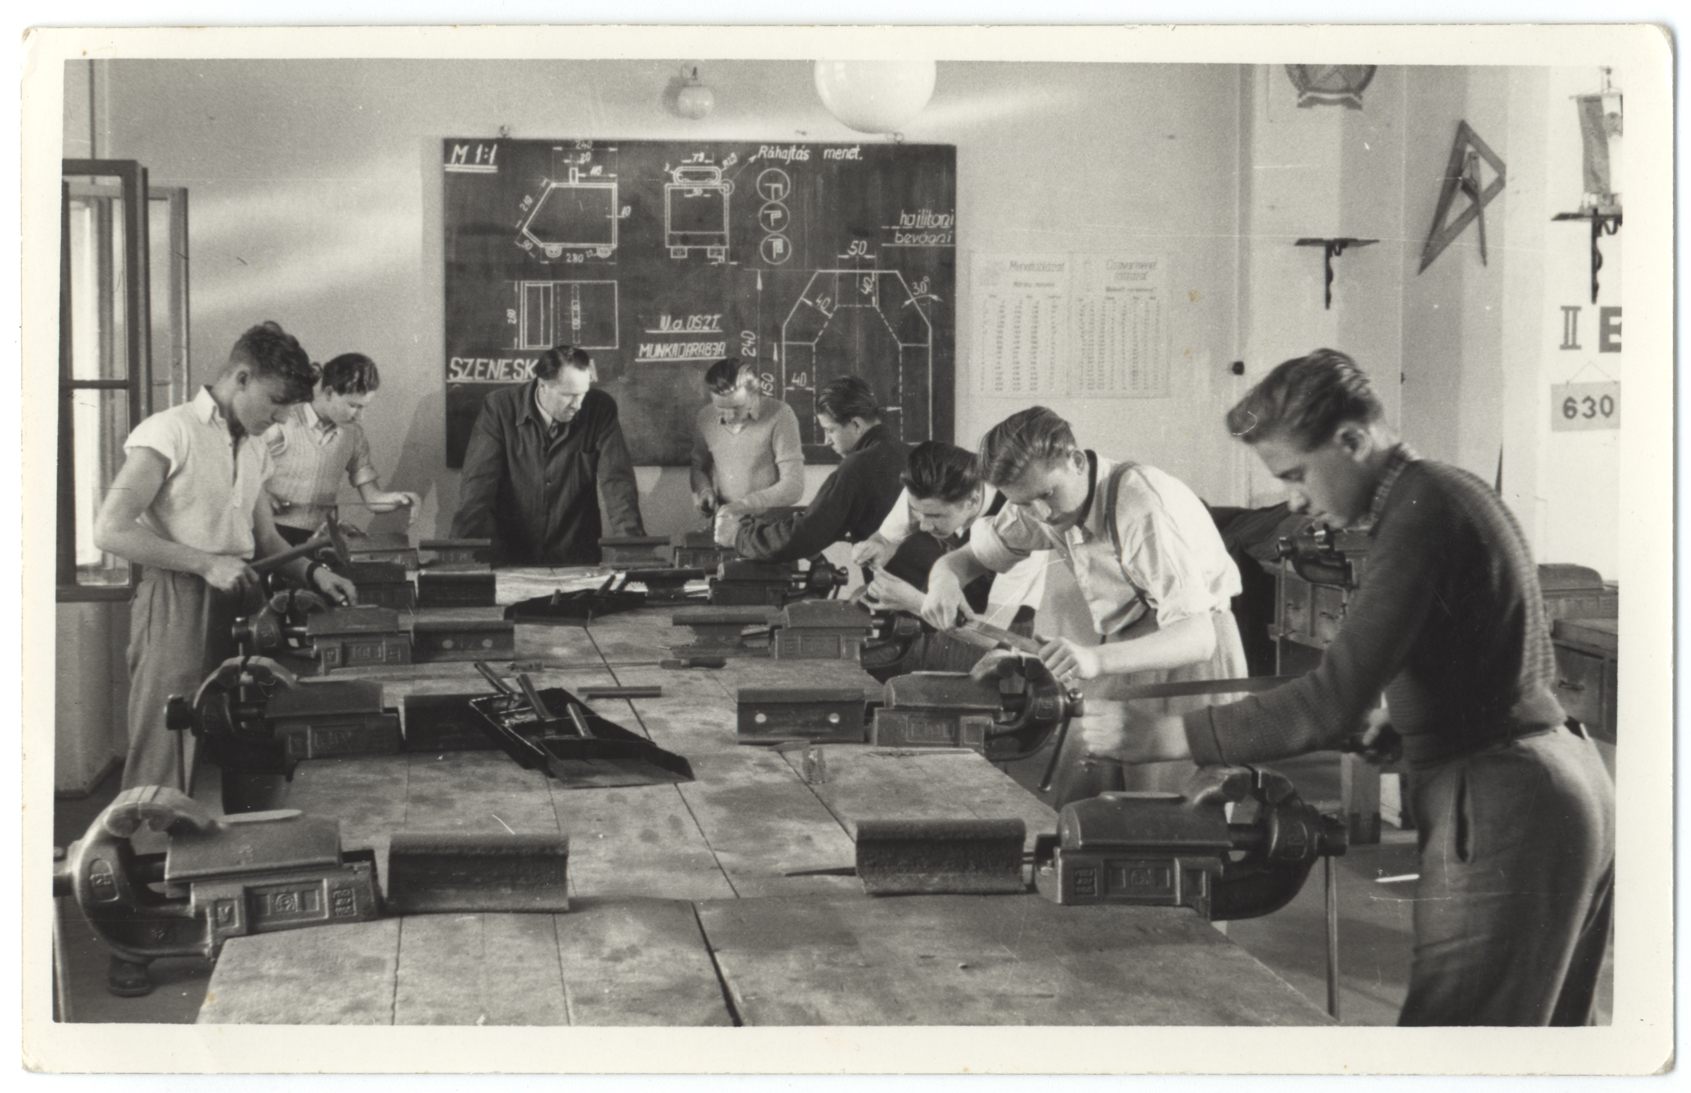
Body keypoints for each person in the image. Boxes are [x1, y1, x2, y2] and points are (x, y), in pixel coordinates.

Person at [1080, 349, 1615, 1027]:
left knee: (1452, 1056)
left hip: (1509, 801)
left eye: (1296, 475)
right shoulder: (1449, 489)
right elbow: (1494, 657)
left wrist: (1164, 735)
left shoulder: (1418, 514)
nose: (1294, 501)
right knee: (1544, 1053)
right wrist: (1409, 720)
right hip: (1563, 778)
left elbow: (1328, 701)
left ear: (1353, 439)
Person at [92, 320, 359, 998]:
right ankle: (132, 935)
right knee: (163, 761)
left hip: (240, 597)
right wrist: (202, 562)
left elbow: (263, 538)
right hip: (179, 599)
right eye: (274, 401)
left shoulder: (253, 444)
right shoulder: (169, 431)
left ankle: (244, 898)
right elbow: (110, 528)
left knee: (249, 744)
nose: (281, 418)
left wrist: (313, 574)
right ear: (240, 378)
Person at [919, 407, 1246, 806]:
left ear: (1075, 460)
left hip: (1191, 654)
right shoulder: (1034, 499)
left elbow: (1198, 637)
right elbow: (968, 559)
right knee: (1083, 792)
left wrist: (1094, 659)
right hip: (1126, 646)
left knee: (1170, 811)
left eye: (1046, 495)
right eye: (1024, 503)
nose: (1040, 514)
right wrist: (944, 580)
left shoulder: (1143, 506)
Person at [452, 344, 645, 565]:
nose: (578, 405)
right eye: (569, 395)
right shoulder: (499, 407)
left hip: (575, 556)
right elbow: (477, 486)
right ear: (542, 385)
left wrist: (634, 553)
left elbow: (618, 483)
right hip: (510, 555)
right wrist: (460, 556)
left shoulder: (601, 407)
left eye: (583, 394)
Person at [715, 374, 906, 565]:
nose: (826, 440)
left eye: (830, 430)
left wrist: (738, 537)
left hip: (891, 582)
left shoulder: (857, 466)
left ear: (855, 424)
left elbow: (805, 536)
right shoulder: (907, 453)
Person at [264, 352, 420, 545]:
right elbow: (236, 473)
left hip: (318, 541)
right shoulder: (282, 421)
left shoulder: (354, 435)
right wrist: (261, 496)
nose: (360, 416)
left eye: (364, 407)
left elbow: (372, 499)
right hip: (269, 536)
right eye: (354, 406)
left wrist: (402, 499)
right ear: (329, 393)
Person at [689, 356, 804, 521]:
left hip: (771, 525)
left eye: (737, 407)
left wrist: (744, 505)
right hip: (727, 521)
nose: (729, 416)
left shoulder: (781, 414)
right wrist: (704, 491)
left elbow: (794, 485)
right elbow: (699, 467)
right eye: (720, 407)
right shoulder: (705, 417)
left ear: (753, 394)